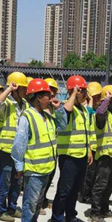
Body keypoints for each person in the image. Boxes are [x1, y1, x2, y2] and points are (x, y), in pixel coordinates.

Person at [12, 78, 57, 222]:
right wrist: (19, 166)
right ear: (38, 97)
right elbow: (19, 143)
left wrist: (56, 108)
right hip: (34, 169)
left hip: (47, 168)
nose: (51, 98)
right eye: (47, 95)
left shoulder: (47, 116)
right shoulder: (27, 117)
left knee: (37, 204)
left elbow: (61, 126)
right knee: (30, 205)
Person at [50, 75, 93, 222]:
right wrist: (73, 94)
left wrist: (89, 150)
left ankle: (70, 217)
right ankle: (56, 220)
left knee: (75, 190)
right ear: (73, 91)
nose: (84, 93)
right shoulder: (64, 109)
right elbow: (66, 112)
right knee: (64, 190)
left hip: (81, 155)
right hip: (68, 156)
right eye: (81, 90)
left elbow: (86, 132)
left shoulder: (83, 110)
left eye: (84, 90)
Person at [0, 71, 28, 222]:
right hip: (6, 149)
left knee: (17, 181)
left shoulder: (25, 104)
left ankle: (12, 208)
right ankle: (0, 211)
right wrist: (9, 89)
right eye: (23, 88)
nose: (26, 91)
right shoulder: (6, 103)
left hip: (20, 150)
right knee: (3, 180)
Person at [88, 85, 112, 222]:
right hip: (104, 154)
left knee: (110, 184)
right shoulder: (101, 113)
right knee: (100, 184)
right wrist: (106, 100)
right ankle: (94, 213)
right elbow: (100, 114)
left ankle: (104, 209)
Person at [39, 77, 61, 213]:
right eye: (49, 91)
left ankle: (43, 200)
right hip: (42, 151)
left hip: (53, 149)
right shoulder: (41, 110)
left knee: (49, 177)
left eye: (53, 91)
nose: (52, 94)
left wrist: (57, 109)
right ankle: (38, 204)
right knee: (40, 180)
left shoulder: (52, 109)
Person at [79, 81, 102, 205]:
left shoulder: (95, 111)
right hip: (88, 147)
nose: (98, 100)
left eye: (99, 97)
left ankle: (88, 193)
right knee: (88, 174)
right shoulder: (86, 110)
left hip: (95, 147)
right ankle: (84, 195)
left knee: (93, 173)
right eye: (95, 97)